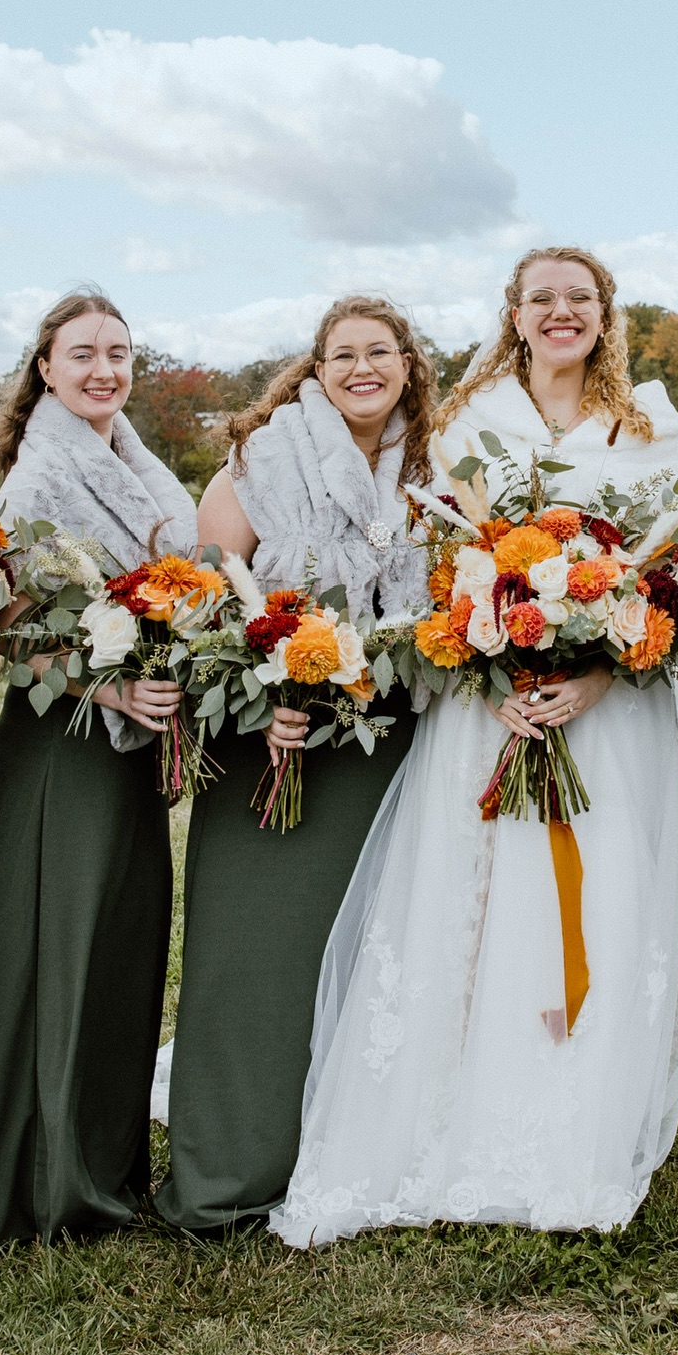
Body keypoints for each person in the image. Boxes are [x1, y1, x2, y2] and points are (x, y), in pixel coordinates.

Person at [269, 246, 678, 1248]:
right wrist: (488, 666)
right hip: (488, 709)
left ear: (604, 315)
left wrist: (599, 673)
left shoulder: (648, 432)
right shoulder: (462, 427)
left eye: (577, 299)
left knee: (595, 896)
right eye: (539, 298)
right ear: (512, 313)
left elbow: (665, 583)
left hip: (609, 715)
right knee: (477, 904)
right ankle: (453, 1121)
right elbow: (430, 581)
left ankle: (568, 1132)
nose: (559, 313)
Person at [151, 295, 437, 1232]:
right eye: (343, 354)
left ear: (407, 366)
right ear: (314, 370)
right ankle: (233, 1162)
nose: (363, 369)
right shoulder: (255, 464)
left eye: (380, 352)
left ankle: (346, 1155)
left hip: (387, 737)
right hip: (273, 735)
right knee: (257, 955)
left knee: (367, 954)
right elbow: (201, 600)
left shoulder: (431, 467)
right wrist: (265, 688)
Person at [0, 288, 193, 1246]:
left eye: (120, 354)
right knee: (64, 947)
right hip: (68, 742)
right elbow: (3, 631)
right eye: (84, 354)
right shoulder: (37, 481)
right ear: (45, 370)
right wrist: (108, 693)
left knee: (122, 946)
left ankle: (104, 1160)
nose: (105, 370)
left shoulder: (129, 464)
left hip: (130, 745)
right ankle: (48, 1179)